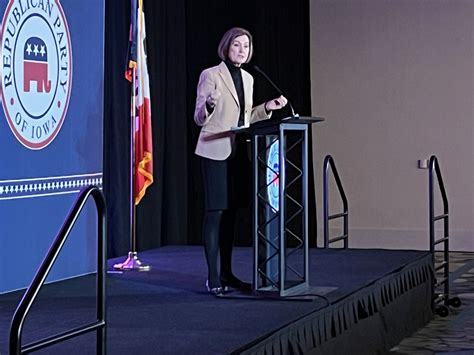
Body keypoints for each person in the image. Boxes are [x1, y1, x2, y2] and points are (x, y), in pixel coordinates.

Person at [194, 27, 288, 295]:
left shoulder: (248, 78)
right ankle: (213, 277)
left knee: (232, 215)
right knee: (216, 213)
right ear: (226, 47)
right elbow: (199, 117)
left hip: (239, 154)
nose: (242, 50)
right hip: (215, 151)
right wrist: (209, 106)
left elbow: (245, 118)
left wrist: (266, 108)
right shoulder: (210, 75)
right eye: (237, 45)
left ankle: (227, 273)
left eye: (246, 46)